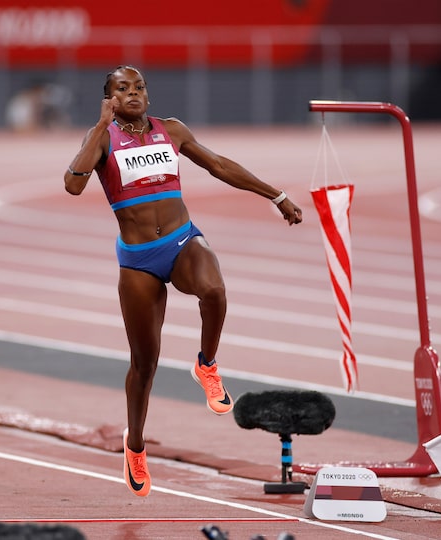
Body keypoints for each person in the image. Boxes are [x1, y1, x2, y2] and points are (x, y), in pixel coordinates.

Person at [63, 65, 303, 497]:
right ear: (109, 99)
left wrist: (276, 194)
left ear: (148, 96)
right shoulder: (101, 138)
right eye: (122, 89)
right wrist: (100, 126)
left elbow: (218, 165)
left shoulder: (169, 130)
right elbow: (73, 186)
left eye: (138, 87)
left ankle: (206, 364)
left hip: (181, 240)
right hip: (138, 259)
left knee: (214, 289)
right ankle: (135, 444)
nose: (132, 93)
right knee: (144, 365)